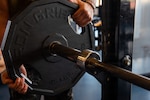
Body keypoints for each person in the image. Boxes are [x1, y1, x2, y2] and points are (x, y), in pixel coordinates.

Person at [0, 0, 96, 100]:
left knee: (61, 96)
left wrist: (90, 5)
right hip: (22, 58)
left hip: (61, 52)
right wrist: (7, 64)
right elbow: (2, 19)